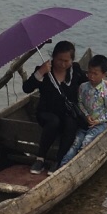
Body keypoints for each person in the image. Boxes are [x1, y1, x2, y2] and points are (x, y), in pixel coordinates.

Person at [21, 40, 83, 174]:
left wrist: (106, 85)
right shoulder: (44, 69)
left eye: (67, 61)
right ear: (53, 57)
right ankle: (40, 159)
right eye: (59, 60)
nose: (62, 64)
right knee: (54, 121)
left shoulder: (75, 70)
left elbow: (89, 84)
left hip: (67, 113)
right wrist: (41, 72)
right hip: (46, 113)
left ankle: (59, 160)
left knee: (71, 123)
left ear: (72, 60)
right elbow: (26, 88)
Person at [56, 55, 107, 168]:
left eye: (95, 74)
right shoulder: (83, 87)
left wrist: (99, 120)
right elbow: (80, 103)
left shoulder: (106, 89)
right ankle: (63, 165)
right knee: (75, 142)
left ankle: (79, 165)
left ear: (104, 75)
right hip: (86, 122)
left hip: (100, 124)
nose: (91, 76)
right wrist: (87, 115)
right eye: (89, 72)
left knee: (87, 142)